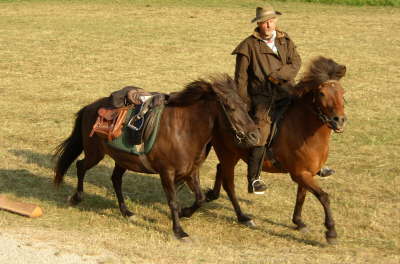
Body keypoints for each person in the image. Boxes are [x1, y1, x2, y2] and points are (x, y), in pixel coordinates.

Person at [232, 5, 333, 194]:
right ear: (259, 24)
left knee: (312, 118)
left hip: (288, 91)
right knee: (261, 133)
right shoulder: (247, 47)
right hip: (263, 98)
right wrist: (244, 103)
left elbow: (296, 62)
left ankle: (316, 165)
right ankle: (254, 179)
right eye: (264, 22)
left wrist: (278, 76)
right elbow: (240, 79)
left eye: (271, 20)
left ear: (276, 21)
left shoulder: (285, 39)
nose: (269, 24)